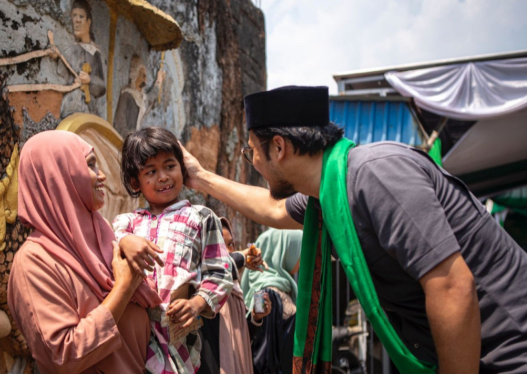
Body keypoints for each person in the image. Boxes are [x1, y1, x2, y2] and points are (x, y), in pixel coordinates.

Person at [180, 85, 527, 373]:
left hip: (510, 352)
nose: (253, 162)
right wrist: (199, 177)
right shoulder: (329, 194)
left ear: (279, 147)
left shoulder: (376, 174)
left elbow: (452, 286)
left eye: (251, 151)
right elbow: (271, 208)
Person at [7, 131, 161, 374]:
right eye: (89, 165)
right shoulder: (34, 263)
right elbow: (63, 356)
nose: (102, 175)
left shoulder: (105, 238)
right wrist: (123, 288)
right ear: (58, 177)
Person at [112, 127, 233, 374]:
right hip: (137, 341)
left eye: (170, 166)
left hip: (183, 343)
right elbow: (110, 248)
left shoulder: (200, 217)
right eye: (151, 172)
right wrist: (125, 240)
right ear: (135, 181)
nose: (163, 177)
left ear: (182, 168)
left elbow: (220, 273)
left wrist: (197, 303)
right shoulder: (127, 223)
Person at [242, 229, 301, 374]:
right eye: (298, 251)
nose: (301, 259)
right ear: (283, 252)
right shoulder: (265, 292)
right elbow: (261, 353)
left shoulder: (280, 288)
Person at [215, 217, 261, 374]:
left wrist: (255, 318)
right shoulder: (209, 293)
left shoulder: (235, 289)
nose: (228, 251)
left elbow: (240, 339)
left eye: (230, 244)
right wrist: (241, 257)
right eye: (221, 245)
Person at [58, 0, 106, 119]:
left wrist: (90, 80)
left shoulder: (94, 53)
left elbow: (102, 87)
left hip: (89, 109)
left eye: (81, 16)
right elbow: (61, 77)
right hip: (71, 107)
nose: (77, 20)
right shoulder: (69, 50)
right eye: (74, 16)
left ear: (88, 22)